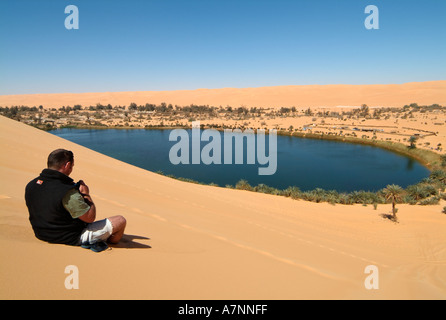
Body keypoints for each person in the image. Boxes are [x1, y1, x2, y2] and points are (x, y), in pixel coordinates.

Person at [25, 149, 126, 251]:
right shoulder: (66, 192)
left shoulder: (31, 184)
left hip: (41, 234)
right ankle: (111, 243)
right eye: (72, 166)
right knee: (120, 221)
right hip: (70, 237)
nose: (71, 169)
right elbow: (90, 217)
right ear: (67, 165)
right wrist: (85, 194)